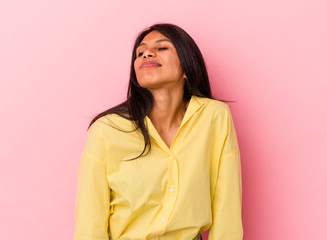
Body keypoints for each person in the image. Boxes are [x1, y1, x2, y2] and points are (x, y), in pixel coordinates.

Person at [74, 23, 243, 240]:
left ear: (187, 66)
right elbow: (90, 220)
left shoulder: (214, 117)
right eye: (140, 52)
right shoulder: (106, 130)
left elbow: (227, 206)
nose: (147, 54)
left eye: (161, 48)